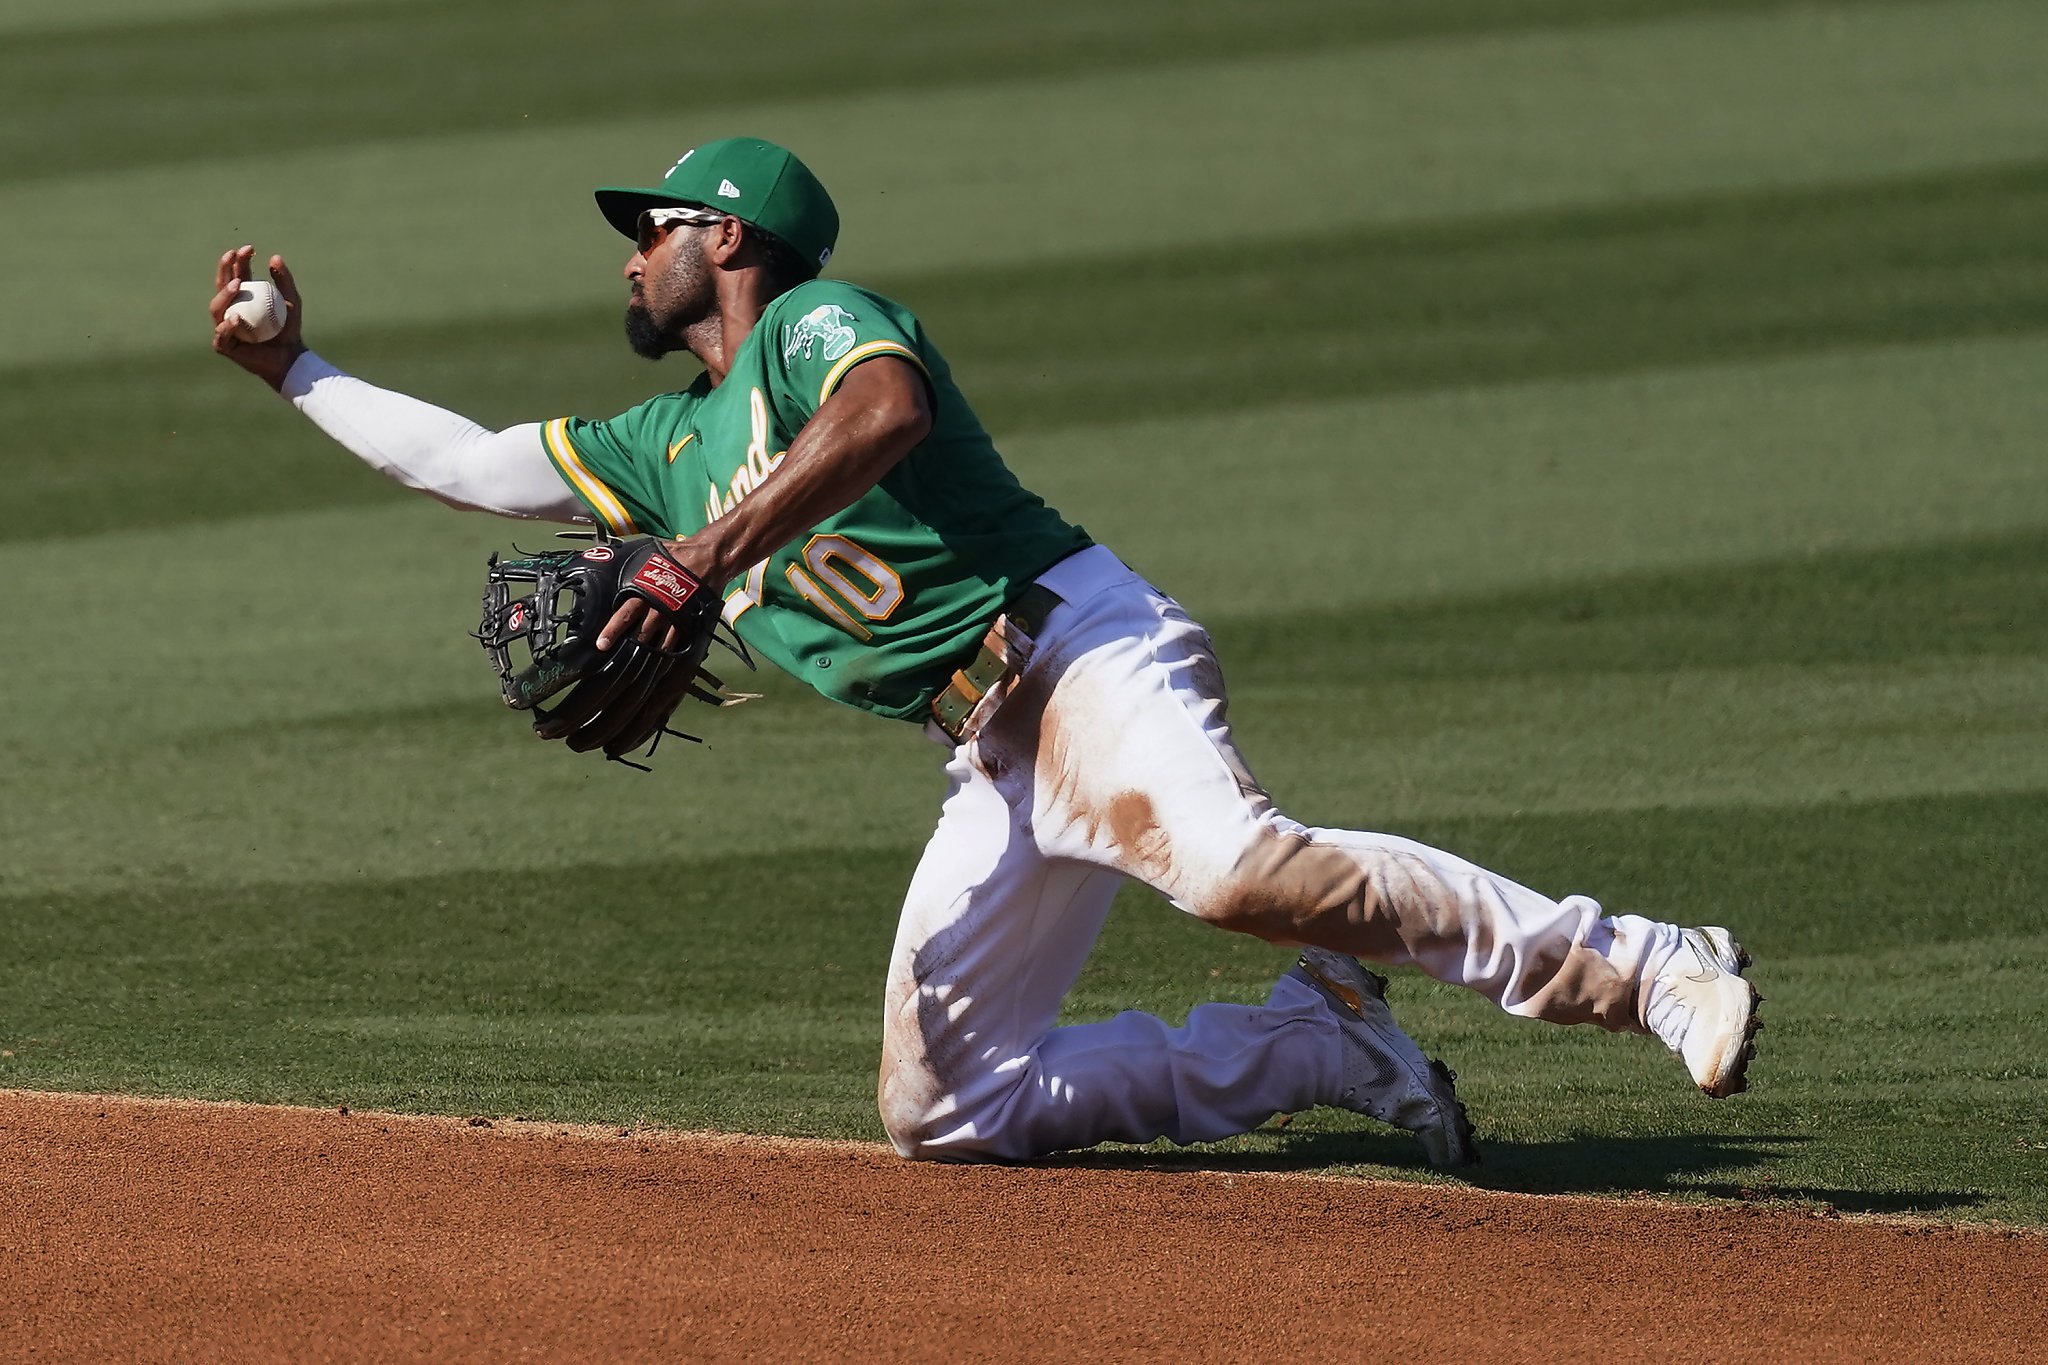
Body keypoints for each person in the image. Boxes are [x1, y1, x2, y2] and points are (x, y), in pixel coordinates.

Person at [210, 136, 1759, 1168]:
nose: (630, 258)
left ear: (727, 237)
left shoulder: (818, 323)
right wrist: (295, 370)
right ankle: (1311, 1043)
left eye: (653, 228)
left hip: (1085, 654)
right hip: (995, 749)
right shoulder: (665, 441)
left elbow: (887, 418)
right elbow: (475, 462)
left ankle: (1643, 965)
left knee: (1229, 869)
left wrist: (703, 555)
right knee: (943, 1108)